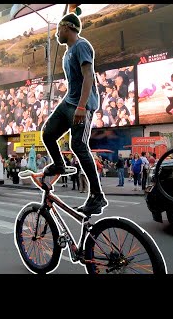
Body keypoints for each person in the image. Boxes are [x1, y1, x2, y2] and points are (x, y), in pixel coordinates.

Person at [41, 13, 107, 215]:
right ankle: (59, 165)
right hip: (69, 101)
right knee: (47, 133)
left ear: (67, 27)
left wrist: (81, 107)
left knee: (78, 145)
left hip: (82, 105)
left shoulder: (81, 46)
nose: (56, 35)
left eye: (58, 30)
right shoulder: (67, 52)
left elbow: (88, 77)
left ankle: (97, 196)